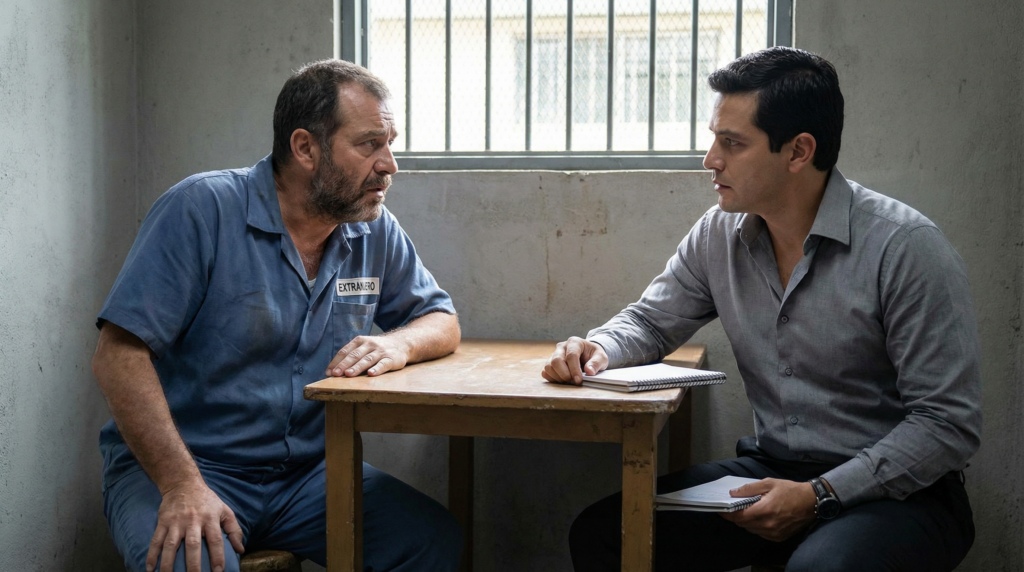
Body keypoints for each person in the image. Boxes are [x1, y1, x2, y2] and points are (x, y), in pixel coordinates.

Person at [543, 46, 980, 572]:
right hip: (774, 469)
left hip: (902, 491)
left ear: (798, 152)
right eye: (714, 139)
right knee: (603, 534)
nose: (710, 160)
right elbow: (650, 321)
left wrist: (820, 494)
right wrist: (598, 348)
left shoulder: (905, 247)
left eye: (732, 143)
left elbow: (946, 424)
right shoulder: (718, 233)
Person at [92, 59, 462, 572]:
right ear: (305, 148)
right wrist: (181, 485)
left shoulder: (373, 228)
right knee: (183, 562)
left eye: (390, 142)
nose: (389, 164)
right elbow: (118, 357)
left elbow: (441, 318)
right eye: (369, 144)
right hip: (188, 467)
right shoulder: (202, 209)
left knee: (431, 544)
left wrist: (398, 344)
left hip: (307, 476)